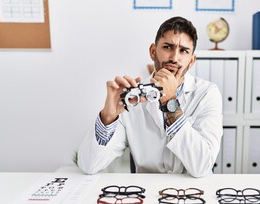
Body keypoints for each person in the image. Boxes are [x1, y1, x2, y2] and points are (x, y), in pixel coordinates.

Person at [77, 16, 223, 178]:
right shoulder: (131, 97)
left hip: (193, 194)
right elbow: (88, 165)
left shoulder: (207, 94)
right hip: (146, 194)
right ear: (153, 51)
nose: (174, 58)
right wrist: (108, 117)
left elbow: (202, 166)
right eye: (168, 47)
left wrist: (169, 102)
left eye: (184, 51)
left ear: (192, 60)